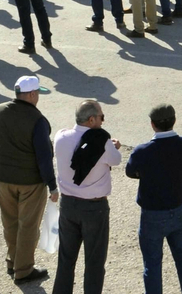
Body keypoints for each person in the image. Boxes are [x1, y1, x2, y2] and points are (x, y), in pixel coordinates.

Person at [126, 103, 182, 294]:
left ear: (152, 124)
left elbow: (130, 171)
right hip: (179, 210)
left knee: (152, 262)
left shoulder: (143, 151)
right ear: (174, 121)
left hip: (152, 216)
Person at [52, 99, 123, 294]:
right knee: (94, 262)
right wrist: (113, 145)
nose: (103, 120)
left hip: (67, 206)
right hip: (94, 209)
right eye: (101, 116)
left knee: (66, 260)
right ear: (91, 120)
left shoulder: (60, 137)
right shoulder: (103, 142)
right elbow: (116, 160)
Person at [0, 74, 58, 285]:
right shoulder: (37, 121)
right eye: (37, 93)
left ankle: (12, 262)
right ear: (31, 94)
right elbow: (44, 156)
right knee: (28, 226)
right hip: (30, 182)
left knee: (10, 223)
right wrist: (52, 185)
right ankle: (24, 270)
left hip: (4, 179)